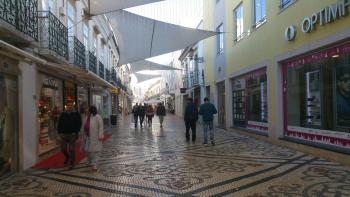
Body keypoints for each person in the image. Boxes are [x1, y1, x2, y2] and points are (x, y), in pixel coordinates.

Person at [57, 101, 82, 169]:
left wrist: (76, 131)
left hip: (72, 134)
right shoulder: (63, 114)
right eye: (68, 105)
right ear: (66, 106)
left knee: (71, 149)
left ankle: (72, 162)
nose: (69, 106)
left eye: (71, 105)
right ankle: (67, 156)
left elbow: (79, 123)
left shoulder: (76, 114)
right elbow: (59, 123)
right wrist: (59, 132)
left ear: (73, 106)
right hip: (64, 134)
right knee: (63, 148)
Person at [81, 105, 104, 172]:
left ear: (91, 110)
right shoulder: (87, 117)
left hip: (95, 137)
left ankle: (94, 164)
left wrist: (100, 135)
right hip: (87, 137)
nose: (86, 111)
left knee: (94, 152)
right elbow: (84, 127)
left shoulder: (97, 117)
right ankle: (88, 160)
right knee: (87, 150)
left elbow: (101, 126)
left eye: (87, 109)